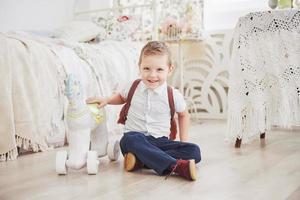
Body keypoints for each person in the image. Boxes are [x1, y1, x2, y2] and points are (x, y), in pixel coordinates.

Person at [86, 41, 201, 181]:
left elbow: (183, 115)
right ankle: (175, 166)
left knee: (194, 151)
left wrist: (184, 142)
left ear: (169, 69)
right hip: (135, 139)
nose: (152, 75)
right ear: (139, 67)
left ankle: (141, 160)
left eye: (159, 70)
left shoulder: (173, 94)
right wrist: (107, 100)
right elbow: (121, 97)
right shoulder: (133, 86)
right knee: (130, 139)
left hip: (160, 142)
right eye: (147, 68)